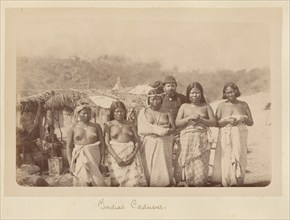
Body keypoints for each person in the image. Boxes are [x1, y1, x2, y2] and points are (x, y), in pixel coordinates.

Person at [211, 82, 254, 187]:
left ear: (236, 91)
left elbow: (251, 122)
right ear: (224, 94)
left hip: (240, 134)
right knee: (226, 156)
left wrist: (244, 118)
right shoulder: (221, 106)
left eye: (232, 92)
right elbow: (215, 123)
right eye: (227, 92)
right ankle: (226, 181)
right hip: (225, 135)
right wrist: (227, 121)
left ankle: (238, 181)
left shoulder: (243, 104)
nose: (230, 94)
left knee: (239, 155)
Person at [175, 82, 216, 186]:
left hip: (201, 138)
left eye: (197, 93)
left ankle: (199, 183)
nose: (194, 95)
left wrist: (201, 120)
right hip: (186, 137)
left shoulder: (206, 106)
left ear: (201, 93)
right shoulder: (184, 106)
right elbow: (177, 123)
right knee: (186, 161)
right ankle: (187, 182)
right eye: (192, 93)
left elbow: (213, 122)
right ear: (188, 94)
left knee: (200, 162)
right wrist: (189, 118)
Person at [138, 87, 176, 186]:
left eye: (157, 98)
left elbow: (174, 128)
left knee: (163, 167)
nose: (155, 101)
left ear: (161, 99)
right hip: (149, 143)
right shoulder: (143, 112)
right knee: (150, 168)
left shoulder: (167, 112)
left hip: (164, 143)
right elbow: (141, 129)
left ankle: (164, 184)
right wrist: (155, 131)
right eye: (152, 99)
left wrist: (163, 132)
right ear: (148, 100)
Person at [104, 101, 147, 187]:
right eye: (116, 111)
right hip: (115, 156)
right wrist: (117, 158)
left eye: (121, 111)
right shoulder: (109, 125)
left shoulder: (130, 124)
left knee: (133, 182)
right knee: (117, 181)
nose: (119, 113)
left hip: (130, 156)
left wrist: (132, 156)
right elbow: (106, 143)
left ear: (125, 112)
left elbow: (137, 141)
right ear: (113, 112)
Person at [66, 101, 106, 186]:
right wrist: (71, 165)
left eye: (88, 113)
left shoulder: (96, 126)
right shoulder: (73, 128)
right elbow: (69, 147)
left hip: (94, 155)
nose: (86, 115)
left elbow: (102, 144)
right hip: (80, 156)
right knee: (82, 181)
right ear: (78, 113)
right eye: (84, 113)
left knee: (97, 180)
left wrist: (102, 162)